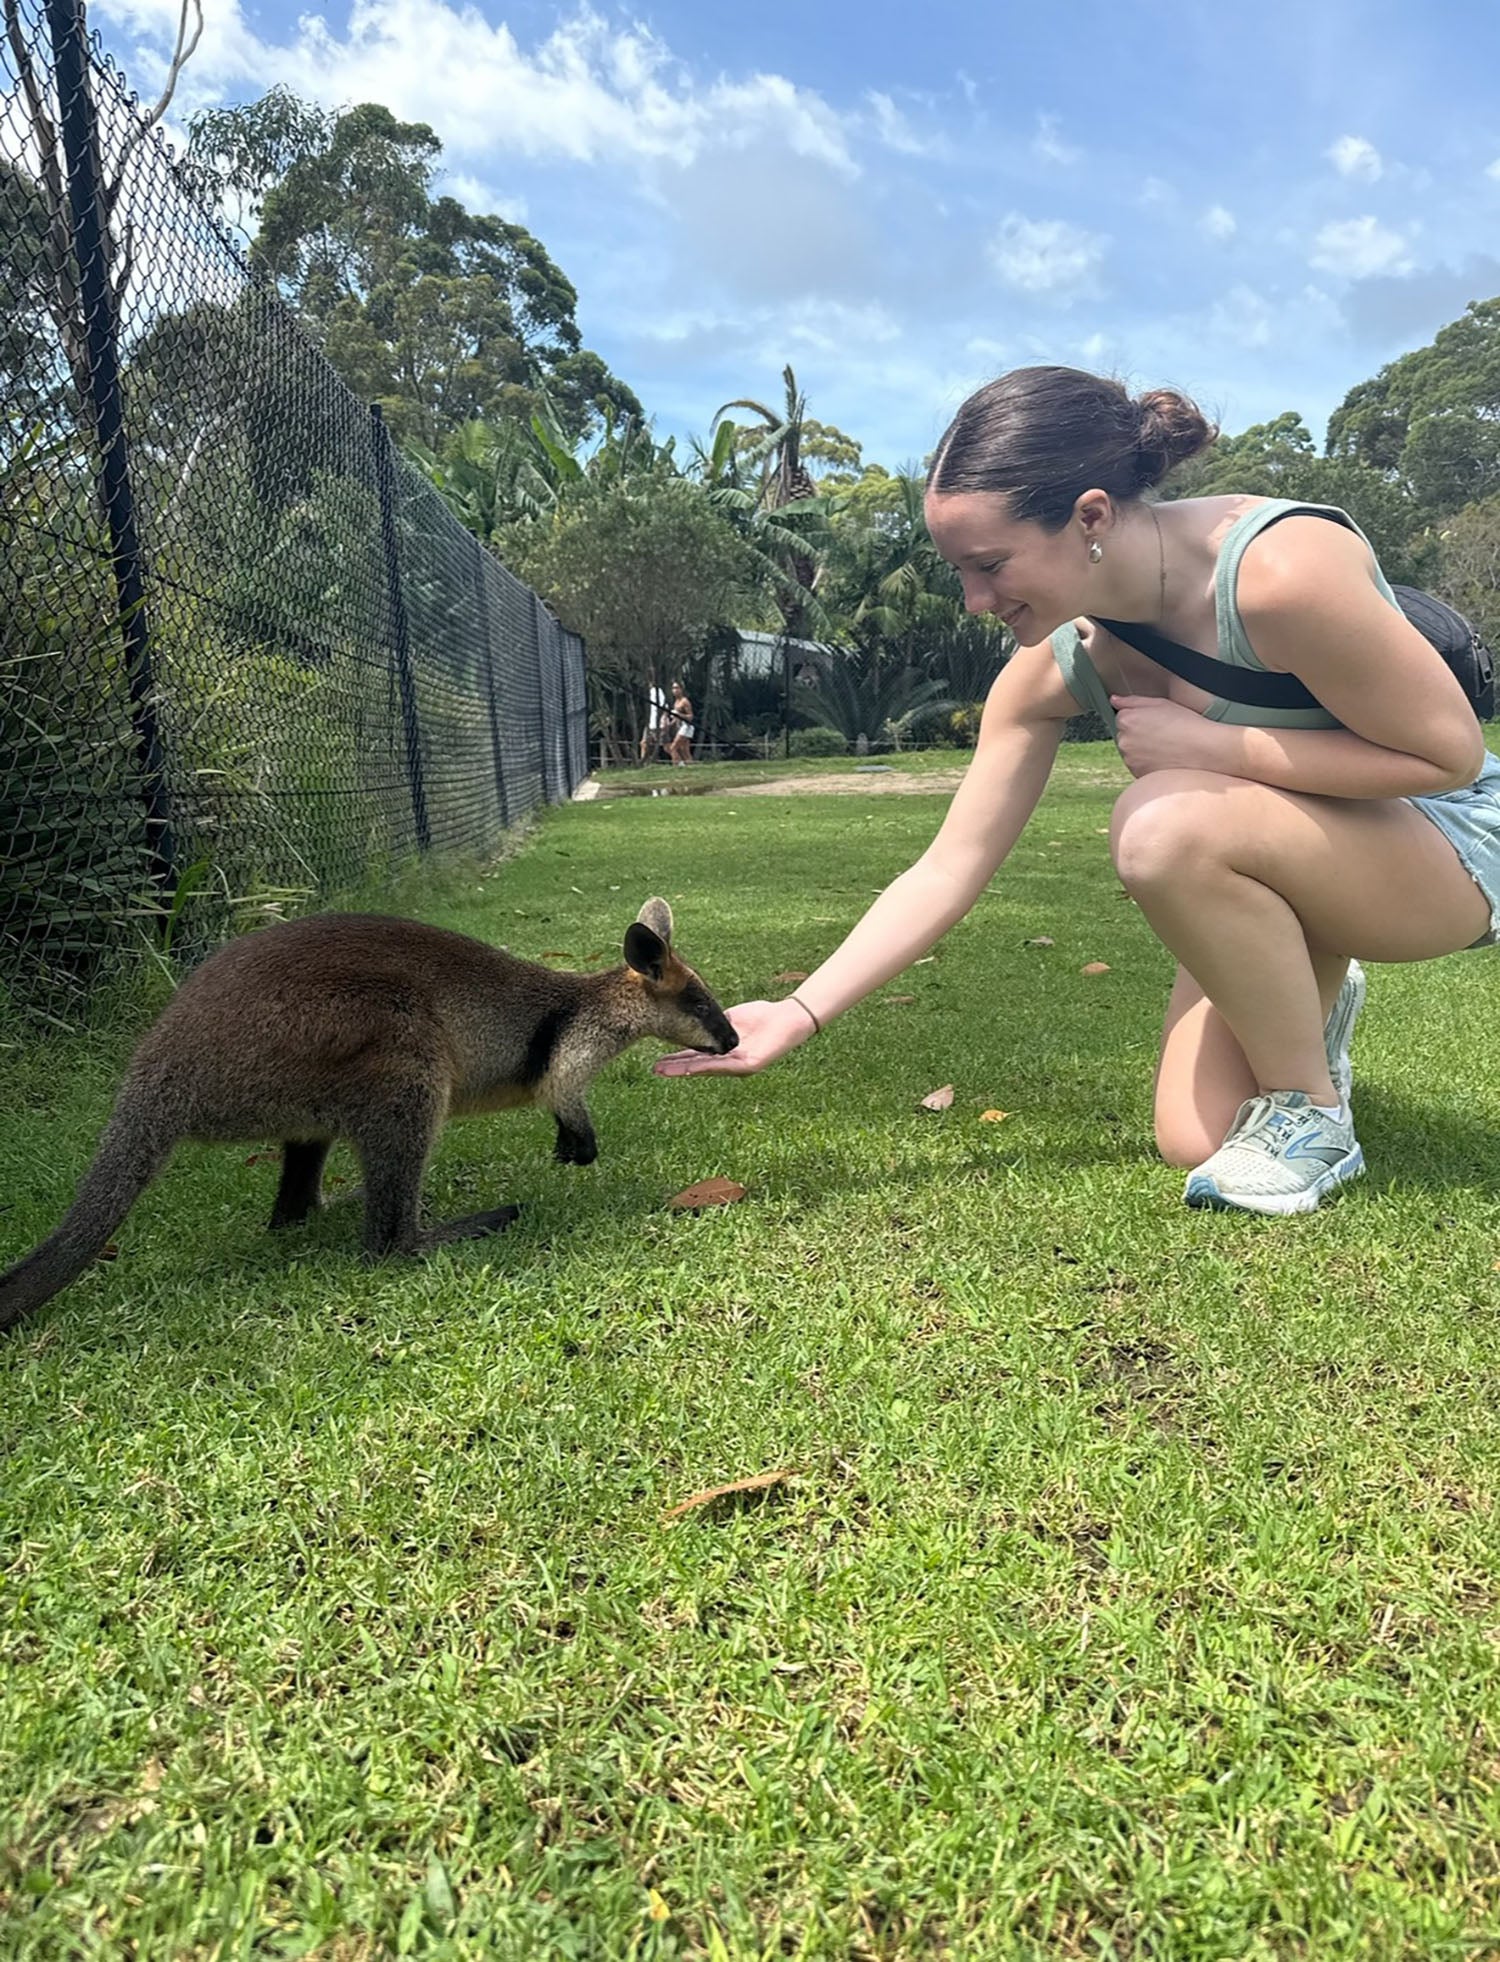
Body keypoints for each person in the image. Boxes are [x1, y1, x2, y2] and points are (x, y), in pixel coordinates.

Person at [655, 364, 1500, 1216]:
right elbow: (948, 869)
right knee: (1196, 1138)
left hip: (1448, 848)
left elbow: (1448, 757)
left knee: (1161, 822)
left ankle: (1310, 1115)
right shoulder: (1054, 669)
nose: (974, 600)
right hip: (1302, 858)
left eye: (988, 565)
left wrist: (1215, 745)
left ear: (1090, 516)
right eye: (958, 571)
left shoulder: (1277, 572)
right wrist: (796, 1014)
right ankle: (1308, 996)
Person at [640, 680, 675, 764]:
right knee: (644, 744)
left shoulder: (657, 692)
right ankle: (645, 764)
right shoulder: (647, 693)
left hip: (658, 723)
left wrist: (664, 720)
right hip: (650, 724)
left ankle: (678, 762)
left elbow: (664, 707)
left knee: (666, 747)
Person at [668, 680, 695, 766]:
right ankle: (691, 767)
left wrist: (679, 714)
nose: (674, 690)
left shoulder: (685, 701)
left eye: (676, 688)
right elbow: (676, 718)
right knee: (685, 751)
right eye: (673, 688)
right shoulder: (676, 702)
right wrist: (669, 725)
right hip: (680, 727)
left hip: (686, 726)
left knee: (673, 747)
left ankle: (678, 765)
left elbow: (690, 716)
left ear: (681, 689)